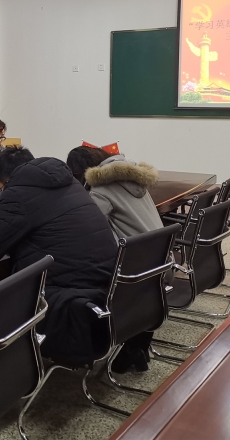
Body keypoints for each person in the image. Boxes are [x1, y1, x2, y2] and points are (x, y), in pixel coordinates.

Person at [0, 146, 118, 366]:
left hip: (71, 298)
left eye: (0, 187)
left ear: (7, 180)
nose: (1, 192)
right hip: (106, 286)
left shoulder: (20, 193)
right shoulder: (70, 182)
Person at [66, 145, 164, 373]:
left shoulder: (101, 190)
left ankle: (108, 345)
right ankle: (137, 347)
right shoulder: (134, 177)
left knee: (80, 275)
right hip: (159, 261)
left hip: (135, 270)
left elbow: (89, 229)